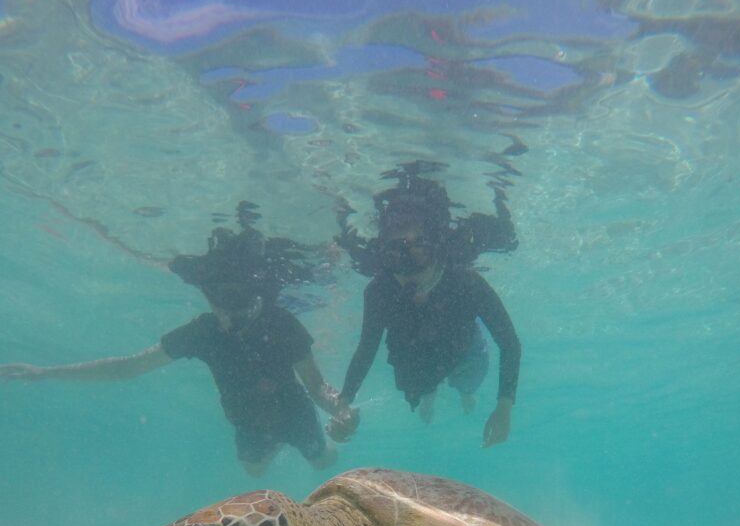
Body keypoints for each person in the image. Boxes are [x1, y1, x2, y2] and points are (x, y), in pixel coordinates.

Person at [0, 218, 355, 476]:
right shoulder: (203, 331)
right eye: (218, 300)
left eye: (238, 300)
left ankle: (321, 450)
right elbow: (128, 367)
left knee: (322, 463)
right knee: (254, 473)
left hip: (292, 412)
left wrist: (343, 412)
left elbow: (315, 386)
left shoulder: (281, 323)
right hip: (247, 421)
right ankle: (274, 445)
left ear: (256, 293)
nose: (228, 313)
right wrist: (46, 373)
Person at [329, 168, 521, 447]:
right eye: (395, 259)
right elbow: (366, 349)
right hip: (414, 352)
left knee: (467, 383)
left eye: (417, 258)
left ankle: (464, 393)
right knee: (415, 385)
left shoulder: (466, 282)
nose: (407, 278)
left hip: (464, 349)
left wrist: (504, 408)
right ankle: (429, 393)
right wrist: (344, 402)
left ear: (435, 253)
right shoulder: (380, 290)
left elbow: (509, 342)